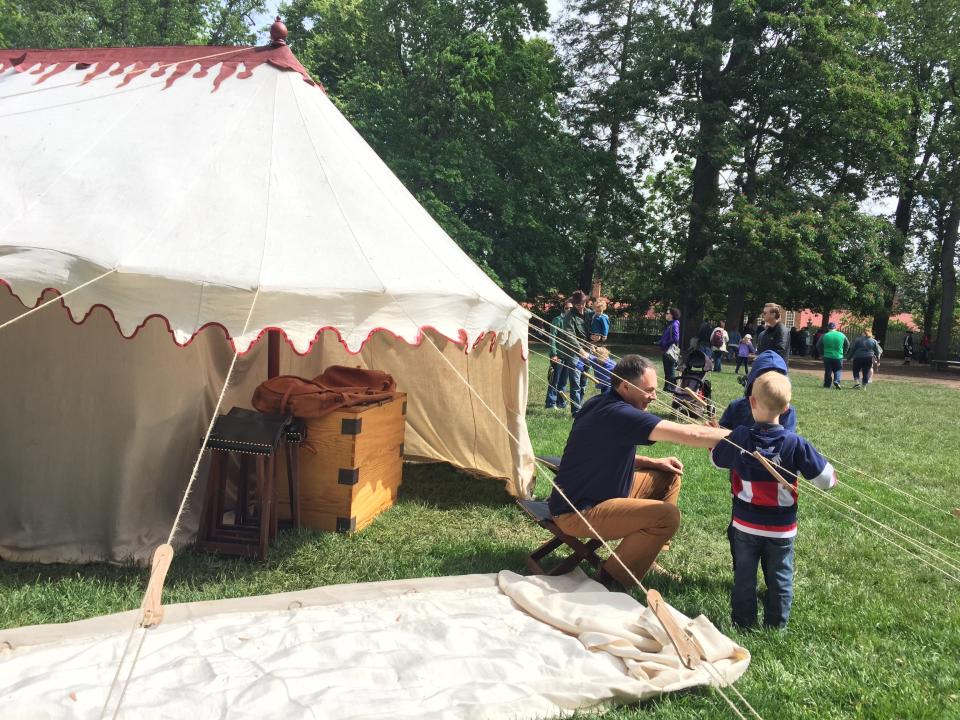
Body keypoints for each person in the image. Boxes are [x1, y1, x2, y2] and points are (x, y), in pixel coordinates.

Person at [548, 355, 731, 590]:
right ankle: (612, 578)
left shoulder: (600, 402)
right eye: (649, 390)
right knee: (667, 517)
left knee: (668, 476)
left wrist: (653, 462)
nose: (654, 396)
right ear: (625, 386)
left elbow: (604, 452)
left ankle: (647, 553)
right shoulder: (618, 413)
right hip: (577, 512)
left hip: (599, 495)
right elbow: (691, 435)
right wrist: (745, 438)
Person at [710, 372, 837, 629]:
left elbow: (716, 461)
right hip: (781, 530)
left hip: (745, 525)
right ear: (787, 408)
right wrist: (832, 475)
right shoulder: (796, 443)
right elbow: (825, 481)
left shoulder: (741, 436)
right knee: (780, 578)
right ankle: (775, 628)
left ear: (751, 403)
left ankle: (743, 625)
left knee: (744, 577)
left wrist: (718, 443)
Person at [720, 350, 797, 432]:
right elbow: (720, 437)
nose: (769, 386)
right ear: (753, 383)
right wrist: (716, 431)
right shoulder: (736, 407)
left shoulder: (786, 411)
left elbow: (785, 440)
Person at [558, 290, 592, 416]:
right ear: (574, 303)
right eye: (578, 304)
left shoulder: (590, 313)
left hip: (588, 350)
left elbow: (596, 327)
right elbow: (570, 335)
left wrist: (598, 336)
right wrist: (580, 350)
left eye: (582, 303)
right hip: (574, 352)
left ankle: (581, 407)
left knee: (585, 380)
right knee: (575, 382)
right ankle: (576, 411)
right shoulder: (569, 316)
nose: (581, 306)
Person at [545, 300, 572, 410]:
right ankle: (551, 404)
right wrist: (554, 354)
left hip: (568, 356)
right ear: (563, 308)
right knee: (554, 380)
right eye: (567, 308)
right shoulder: (558, 320)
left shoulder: (572, 321)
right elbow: (552, 338)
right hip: (558, 356)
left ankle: (561, 403)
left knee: (563, 381)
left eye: (571, 308)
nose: (569, 310)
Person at [817, 322, 849, 389]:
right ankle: (837, 381)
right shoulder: (842, 335)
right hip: (838, 356)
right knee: (838, 369)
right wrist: (844, 352)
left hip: (827, 356)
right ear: (835, 328)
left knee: (828, 370)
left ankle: (827, 384)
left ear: (828, 328)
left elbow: (818, 345)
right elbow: (847, 344)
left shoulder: (824, 335)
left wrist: (822, 353)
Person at [659, 307, 681, 392]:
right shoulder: (670, 324)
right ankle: (667, 387)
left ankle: (672, 388)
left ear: (672, 315)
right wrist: (661, 341)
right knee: (667, 369)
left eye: (667, 313)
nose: (666, 315)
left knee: (670, 370)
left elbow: (676, 338)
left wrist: (665, 343)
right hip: (665, 350)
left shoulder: (674, 324)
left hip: (670, 351)